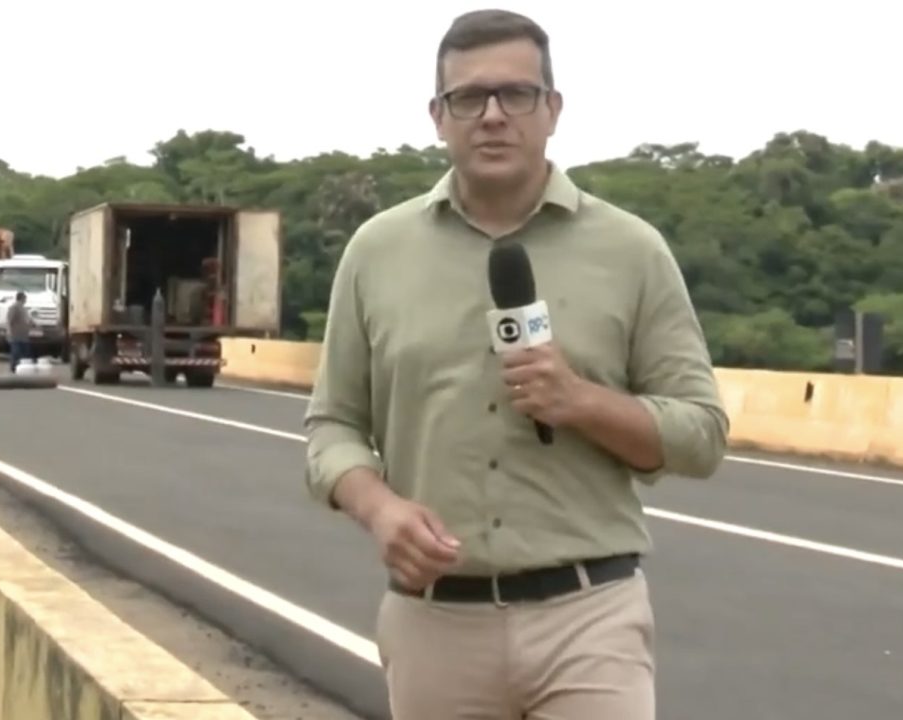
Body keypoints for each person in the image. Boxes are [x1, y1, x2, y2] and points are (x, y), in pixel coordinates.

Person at [302, 9, 729, 720]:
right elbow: (332, 427)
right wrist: (378, 510)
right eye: (469, 98)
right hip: (435, 621)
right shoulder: (376, 253)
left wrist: (581, 400)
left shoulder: (632, 250)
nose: (493, 116)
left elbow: (702, 432)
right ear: (439, 117)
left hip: (590, 615)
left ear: (552, 110)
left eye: (517, 95)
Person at [6, 291, 32, 372]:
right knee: (16, 352)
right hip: (16, 334)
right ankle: (14, 367)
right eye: (25, 298)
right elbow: (9, 320)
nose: (26, 300)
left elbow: (28, 319)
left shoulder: (23, 308)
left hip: (23, 335)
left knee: (24, 352)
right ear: (21, 298)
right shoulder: (14, 307)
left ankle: (21, 367)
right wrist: (9, 331)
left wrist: (34, 324)